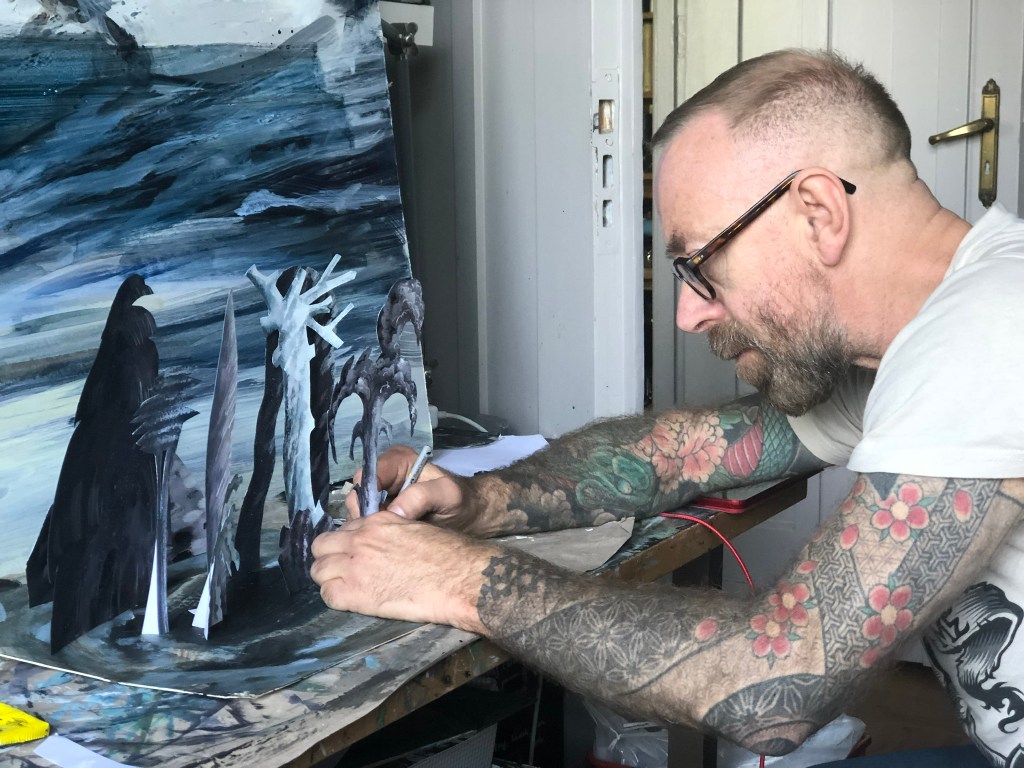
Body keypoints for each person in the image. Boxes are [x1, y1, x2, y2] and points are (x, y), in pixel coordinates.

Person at [310, 49, 1024, 767]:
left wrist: (455, 578)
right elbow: (684, 453)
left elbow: (775, 682)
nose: (687, 313)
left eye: (701, 264)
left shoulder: (988, 330)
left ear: (818, 212)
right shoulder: (914, 341)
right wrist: (480, 502)